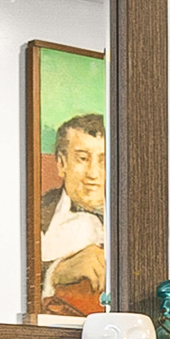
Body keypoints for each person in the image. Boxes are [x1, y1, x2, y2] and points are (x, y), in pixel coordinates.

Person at [35, 111, 105, 313]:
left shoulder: (136, 218)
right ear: (61, 163)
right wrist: (56, 272)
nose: (93, 173)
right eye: (83, 158)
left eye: (102, 160)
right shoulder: (37, 215)